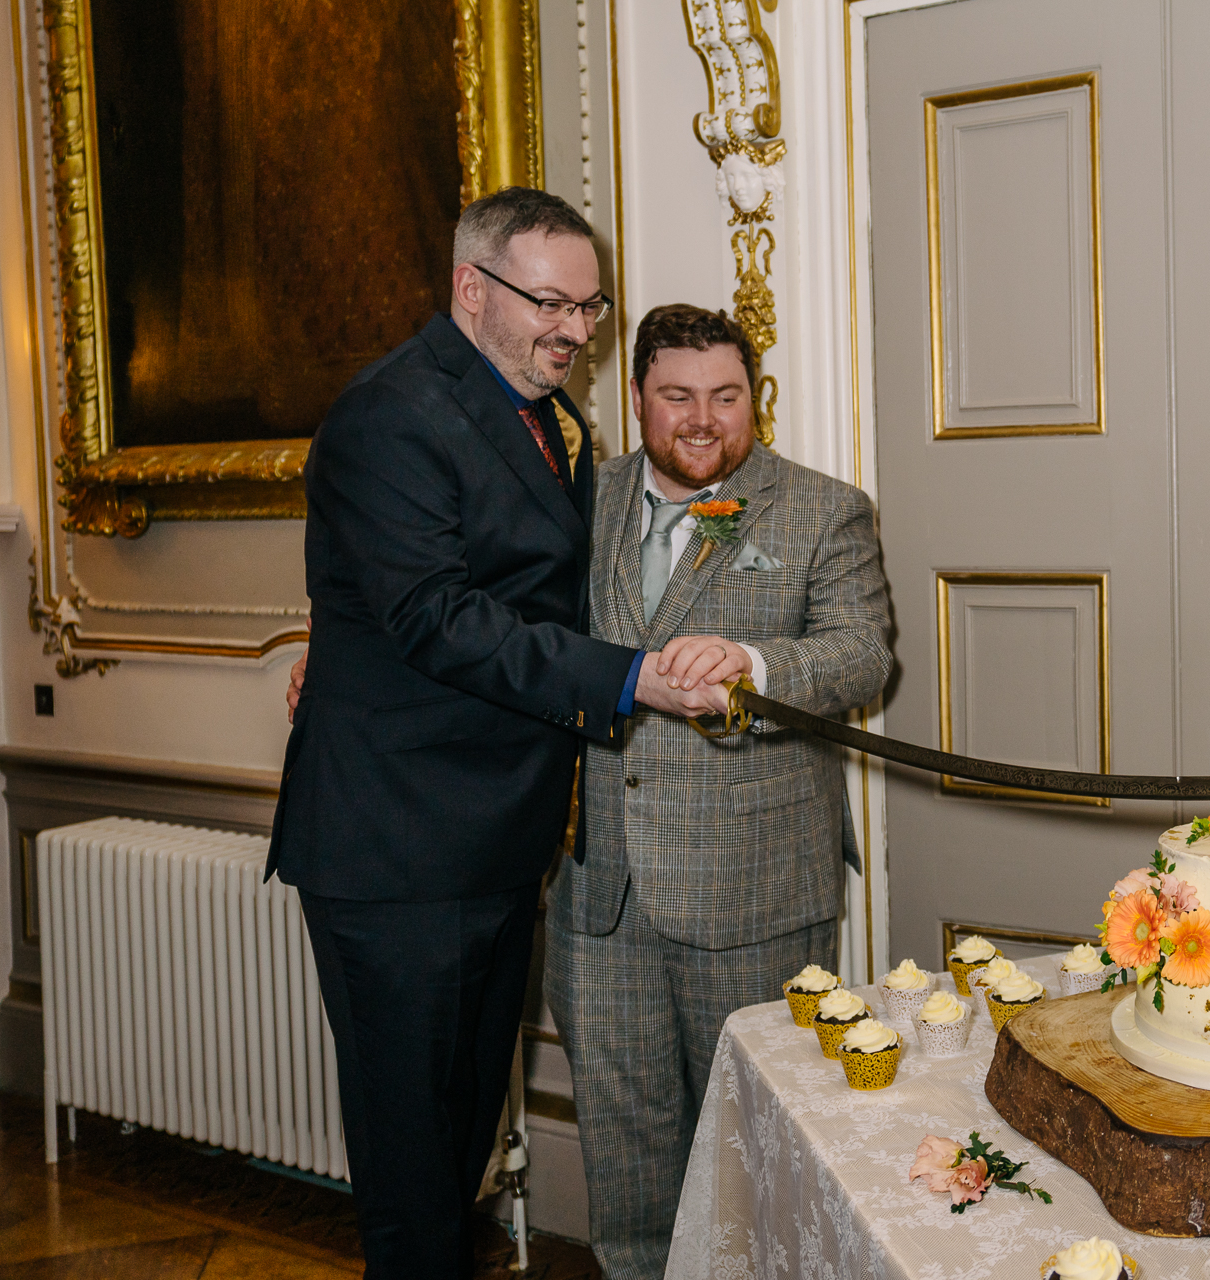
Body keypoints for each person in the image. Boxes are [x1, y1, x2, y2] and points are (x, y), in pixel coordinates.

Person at [266, 188, 727, 1279]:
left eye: (590, 307)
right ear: (473, 289)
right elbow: (435, 614)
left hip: (491, 840)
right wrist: (631, 679)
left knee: (458, 1139)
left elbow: (528, 593)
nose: (574, 330)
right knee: (412, 1167)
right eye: (551, 303)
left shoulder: (553, 419)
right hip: (396, 847)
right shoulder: (392, 410)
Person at [545, 304, 892, 1279]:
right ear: (640, 397)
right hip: (598, 894)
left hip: (756, 891)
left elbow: (858, 655)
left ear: (755, 397)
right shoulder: (580, 499)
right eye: (679, 395)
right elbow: (484, 608)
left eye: (726, 396)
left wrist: (753, 659)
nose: (703, 419)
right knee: (627, 1156)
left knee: (758, 1152)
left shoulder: (825, 509)